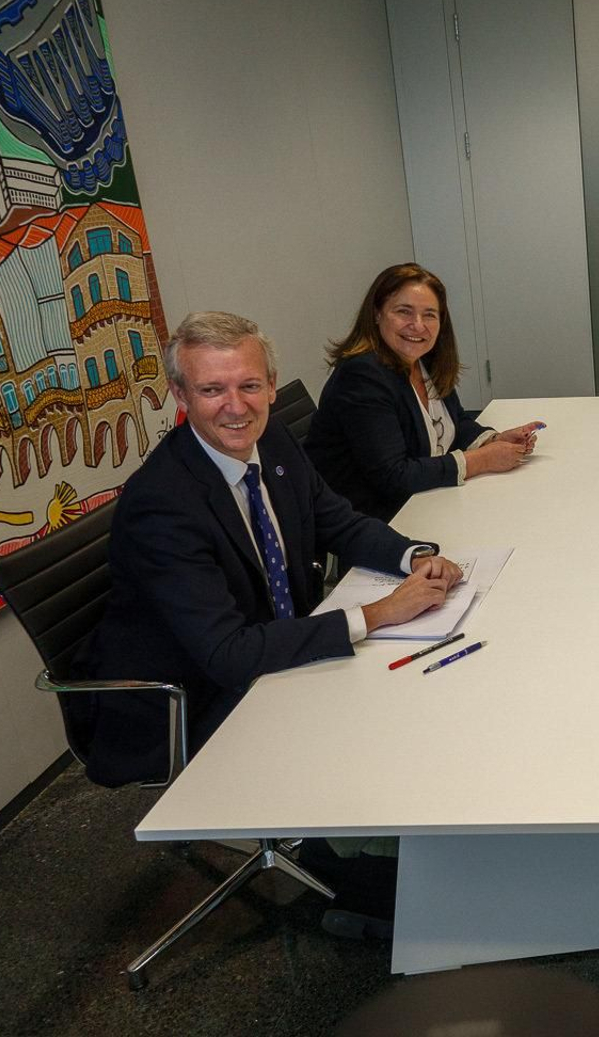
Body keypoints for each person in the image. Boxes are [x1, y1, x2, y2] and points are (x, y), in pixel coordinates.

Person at [79, 312, 464, 790]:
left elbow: (335, 519)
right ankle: (347, 852)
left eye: (249, 386)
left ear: (272, 386)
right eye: (212, 390)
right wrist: (381, 612)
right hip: (198, 696)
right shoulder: (162, 506)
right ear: (180, 395)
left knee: (428, 701)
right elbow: (228, 655)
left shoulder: (272, 439)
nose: (236, 407)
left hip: (272, 646)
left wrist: (415, 556)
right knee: (388, 750)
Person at [305, 263, 545, 521]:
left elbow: (455, 422)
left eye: (429, 314)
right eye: (404, 312)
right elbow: (394, 476)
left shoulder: (424, 360)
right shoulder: (362, 375)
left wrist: (492, 441)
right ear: (376, 314)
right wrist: (482, 460)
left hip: (427, 503)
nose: (418, 326)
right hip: (377, 519)